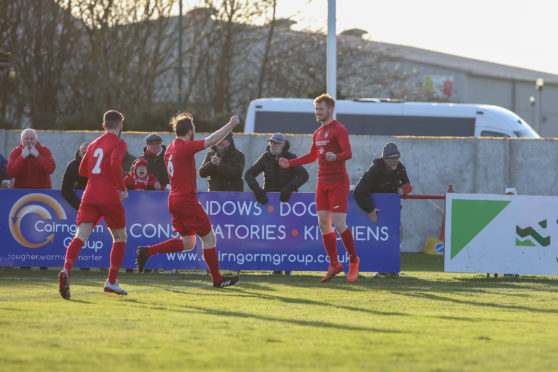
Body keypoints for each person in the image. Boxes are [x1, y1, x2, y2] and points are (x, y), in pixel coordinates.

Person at [135, 112, 241, 288]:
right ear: (190, 131)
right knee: (209, 239)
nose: (195, 130)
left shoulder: (170, 148)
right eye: (194, 127)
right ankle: (217, 279)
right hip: (186, 200)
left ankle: (148, 251)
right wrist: (231, 124)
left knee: (188, 243)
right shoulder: (185, 147)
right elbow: (211, 141)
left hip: (174, 200)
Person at [279, 94, 360, 283]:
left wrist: (336, 157)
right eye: (316, 110)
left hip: (338, 181)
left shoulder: (339, 129)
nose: (317, 113)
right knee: (323, 223)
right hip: (322, 182)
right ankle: (334, 263)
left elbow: (348, 153)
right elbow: (312, 156)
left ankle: (354, 260)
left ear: (330, 109)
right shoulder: (317, 133)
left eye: (320, 109)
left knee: (339, 223)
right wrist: (289, 163)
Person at [58, 110, 130, 300]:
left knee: (80, 235)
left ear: (104, 125)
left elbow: (82, 170)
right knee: (120, 238)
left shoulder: (93, 144)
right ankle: (111, 281)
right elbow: (115, 163)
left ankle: (66, 269)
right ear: (121, 125)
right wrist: (122, 188)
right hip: (108, 195)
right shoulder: (120, 143)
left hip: (90, 195)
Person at [245, 132, 309, 275]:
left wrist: (289, 188)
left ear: (284, 144)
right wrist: (258, 191)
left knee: (288, 236)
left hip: (289, 203)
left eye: (276, 143)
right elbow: (249, 174)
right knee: (273, 235)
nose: (273, 145)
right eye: (271, 142)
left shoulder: (291, 158)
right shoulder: (265, 157)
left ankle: (288, 267)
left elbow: (304, 175)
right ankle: (276, 268)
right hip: (270, 203)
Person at [354, 142, 412, 276]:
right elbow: (359, 191)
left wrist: (403, 189)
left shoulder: (400, 168)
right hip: (375, 211)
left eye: (397, 157)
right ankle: (377, 269)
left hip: (392, 211)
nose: (396, 160)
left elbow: (408, 185)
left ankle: (390, 269)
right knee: (375, 240)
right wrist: (370, 210)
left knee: (397, 237)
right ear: (385, 158)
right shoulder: (374, 170)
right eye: (392, 158)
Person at [61, 142, 90, 210]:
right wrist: (80, 206)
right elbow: (65, 190)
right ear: (80, 153)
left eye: (89, 152)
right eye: (84, 153)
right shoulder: (72, 166)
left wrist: (79, 185)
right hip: (76, 208)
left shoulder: (100, 166)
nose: (87, 155)